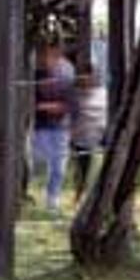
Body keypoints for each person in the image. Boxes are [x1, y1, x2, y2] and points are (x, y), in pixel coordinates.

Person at [31, 37, 75, 214]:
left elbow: (71, 101)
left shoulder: (67, 72)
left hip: (60, 126)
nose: (46, 57)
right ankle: (33, 194)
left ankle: (53, 200)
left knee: (58, 166)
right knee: (39, 161)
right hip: (38, 126)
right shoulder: (34, 71)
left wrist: (52, 107)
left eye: (51, 53)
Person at [69, 62, 107, 200]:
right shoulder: (75, 94)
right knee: (81, 169)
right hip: (81, 137)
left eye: (89, 76)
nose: (86, 79)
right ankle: (79, 194)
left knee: (101, 168)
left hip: (100, 135)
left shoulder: (103, 93)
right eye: (83, 77)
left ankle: (99, 194)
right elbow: (71, 116)